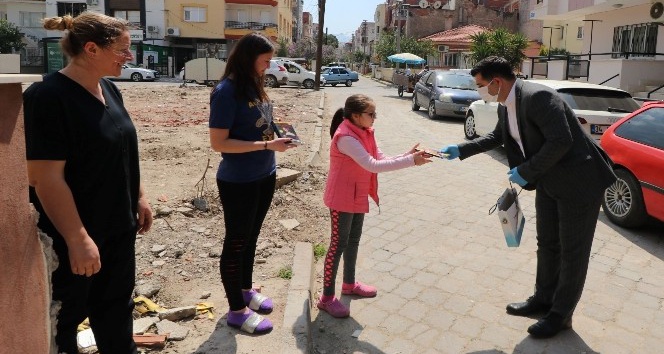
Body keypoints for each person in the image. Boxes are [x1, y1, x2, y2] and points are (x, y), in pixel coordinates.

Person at [439, 56, 616, 338]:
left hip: (579, 183)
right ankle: (542, 299)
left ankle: (560, 315)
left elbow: (562, 140)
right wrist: (462, 149)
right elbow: (499, 137)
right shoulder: (506, 104)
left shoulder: (538, 97)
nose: (479, 91)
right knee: (547, 243)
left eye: (481, 85)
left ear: (497, 82)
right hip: (548, 180)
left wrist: (525, 170)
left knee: (573, 251)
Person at [23, 12, 153, 354]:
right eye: (123, 49)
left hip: (117, 230)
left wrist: (138, 197)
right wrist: (77, 238)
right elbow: (43, 178)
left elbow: (121, 150)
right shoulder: (47, 97)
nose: (129, 57)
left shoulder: (108, 88)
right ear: (92, 49)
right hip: (75, 238)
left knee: (115, 311)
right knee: (66, 318)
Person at [209, 32, 295, 334]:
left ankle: (245, 290)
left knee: (251, 238)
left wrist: (279, 133)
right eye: (265, 61)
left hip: (264, 173)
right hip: (239, 181)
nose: (268, 67)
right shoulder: (226, 91)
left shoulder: (253, 86)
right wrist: (266, 147)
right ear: (248, 59)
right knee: (235, 243)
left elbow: (260, 126)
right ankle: (236, 309)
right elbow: (219, 143)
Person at [318, 94, 431, 318]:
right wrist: (410, 162)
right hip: (341, 197)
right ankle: (326, 298)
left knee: (353, 241)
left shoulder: (365, 132)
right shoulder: (345, 137)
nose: (375, 118)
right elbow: (373, 165)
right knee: (337, 245)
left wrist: (407, 155)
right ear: (356, 116)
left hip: (357, 194)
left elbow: (379, 157)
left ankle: (349, 284)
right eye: (371, 114)